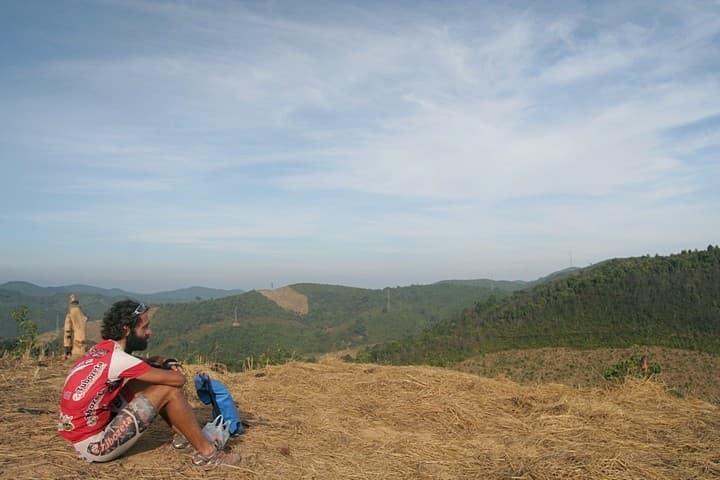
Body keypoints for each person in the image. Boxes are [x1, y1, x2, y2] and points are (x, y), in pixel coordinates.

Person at [57, 299, 240, 468]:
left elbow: (145, 363)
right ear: (126, 330)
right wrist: (172, 369)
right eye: (144, 327)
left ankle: (184, 438)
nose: (149, 332)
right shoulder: (120, 359)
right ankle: (208, 454)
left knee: (143, 382)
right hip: (93, 445)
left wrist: (163, 361)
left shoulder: (103, 350)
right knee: (168, 389)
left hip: (78, 433)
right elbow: (179, 380)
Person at [63, 293, 88, 359]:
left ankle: (69, 353)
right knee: (68, 333)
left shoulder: (75, 314)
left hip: (77, 350)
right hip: (74, 349)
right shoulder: (73, 314)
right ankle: (68, 353)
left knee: (70, 333)